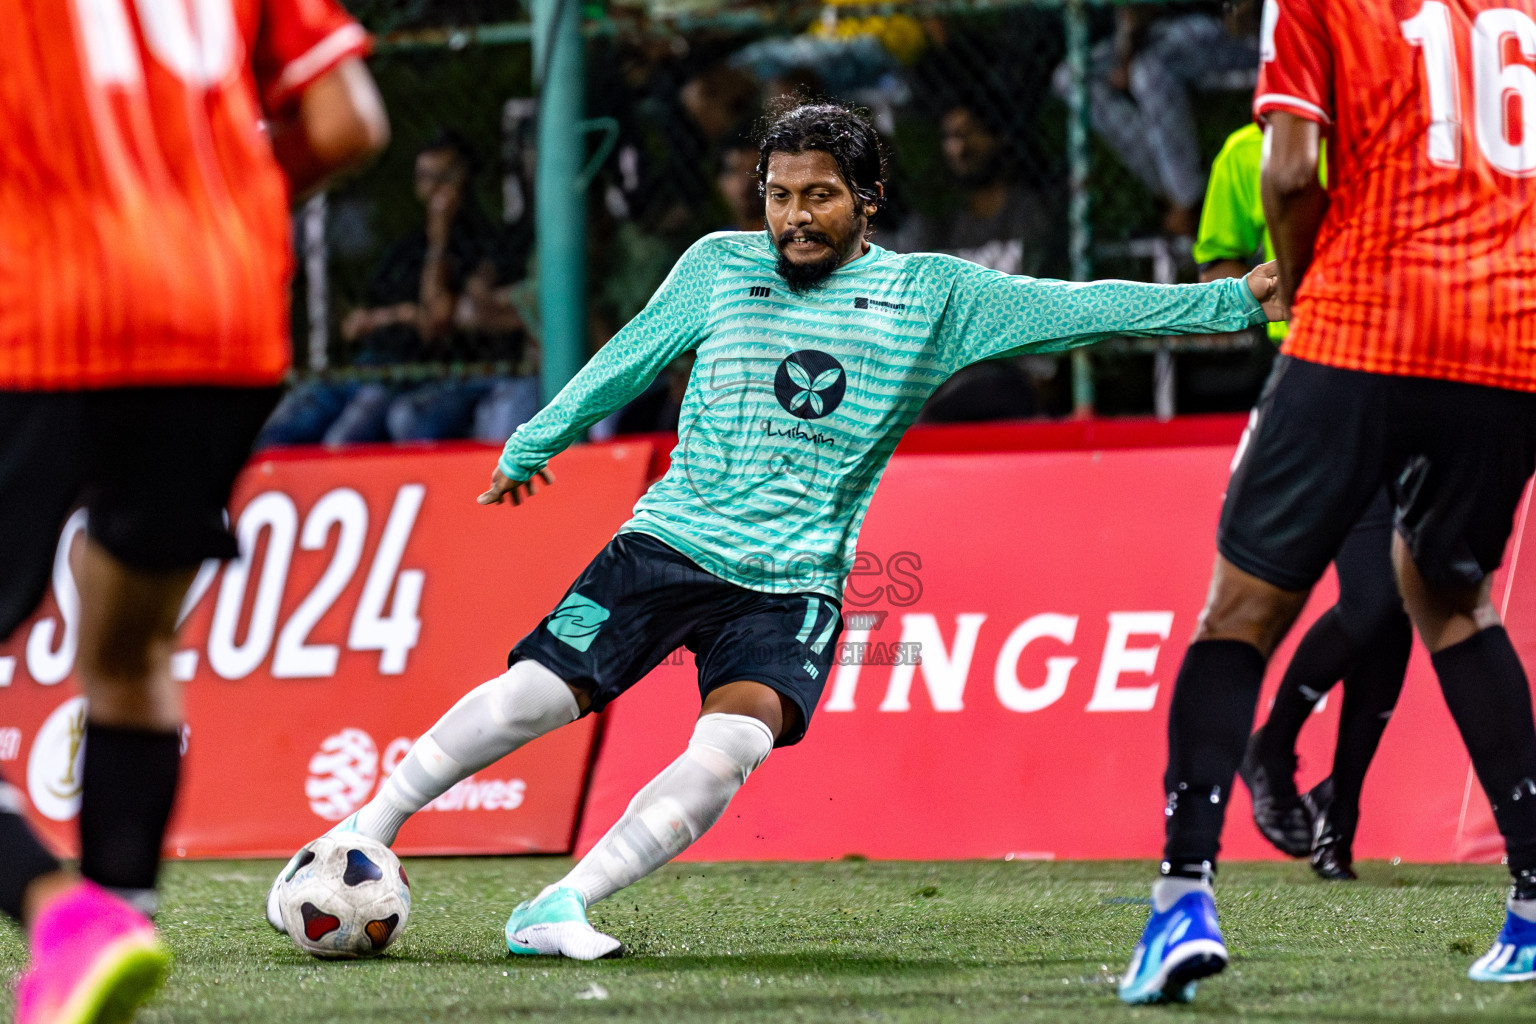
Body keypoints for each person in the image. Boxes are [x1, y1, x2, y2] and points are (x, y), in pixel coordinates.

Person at [266, 98, 1280, 959]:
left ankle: (561, 903)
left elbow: (1079, 308)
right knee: (535, 696)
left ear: (866, 201)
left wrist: (1234, 300)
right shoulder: (718, 264)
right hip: (667, 542)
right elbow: (628, 355)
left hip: (793, 581)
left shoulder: (935, 295)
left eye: (819, 197)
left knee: (733, 744)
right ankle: (368, 826)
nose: (794, 218)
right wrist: (538, 439)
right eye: (780, 195)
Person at [1119, 0, 1536, 1004]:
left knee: (1242, 609)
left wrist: (1309, 293)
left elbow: (1293, 168)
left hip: (1364, 326)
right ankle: (1532, 899)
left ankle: (1183, 896)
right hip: (1509, 339)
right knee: (1450, 592)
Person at [0, 1, 387, 1021]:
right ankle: (120, 922)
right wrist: (211, 204)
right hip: (220, 318)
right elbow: (349, 121)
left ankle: (62, 913)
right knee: (130, 652)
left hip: (43, 318)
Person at [1195, 123, 1408, 882]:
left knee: (1398, 605)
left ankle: (1338, 819)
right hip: (1318, 386)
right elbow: (1220, 271)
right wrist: (1270, 281)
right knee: (1382, 598)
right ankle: (1273, 747)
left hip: (1416, 378)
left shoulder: (1396, 134)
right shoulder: (1246, 152)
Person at [258, 131, 534, 447]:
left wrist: (439, 240)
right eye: (426, 178)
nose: (435, 190)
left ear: (468, 179)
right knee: (289, 418)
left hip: (415, 372)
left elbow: (435, 322)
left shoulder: (485, 245)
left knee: (348, 435)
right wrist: (400, 315)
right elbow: (353, 325)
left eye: (445, 177)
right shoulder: (405, 249)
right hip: (366, 365)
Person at [1053, 2, 1262, 237]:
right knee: (1070, 79)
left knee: (1147, 72)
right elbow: (1130, 16)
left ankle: (1188, 205)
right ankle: (1178, 194)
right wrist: (1125, 55)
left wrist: (1128, 59)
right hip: (1150, 37)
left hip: (1220, 25)